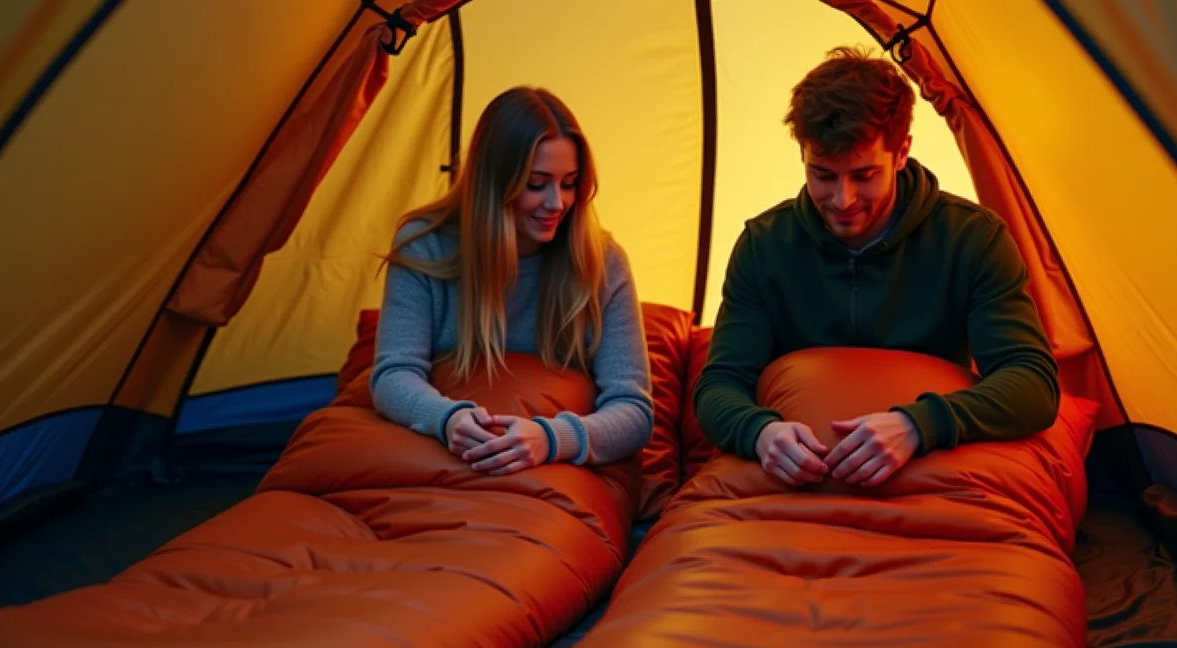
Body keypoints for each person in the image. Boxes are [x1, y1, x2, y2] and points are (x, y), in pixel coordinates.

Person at [693, 46, 1059, 488]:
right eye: (822, 175)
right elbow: (719, 386)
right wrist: (760, 432)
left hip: (927, 482)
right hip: (797, 487)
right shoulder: (764, 245)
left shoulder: (973, 239)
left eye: (864, 175)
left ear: (901, 152)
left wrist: (918, 425)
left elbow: (1033, 385)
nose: (842, 200)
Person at [370, 86, 654, 476]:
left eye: (569, 183)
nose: (557, 203)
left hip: (548, 474)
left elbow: (634, 410)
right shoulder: (426, 246)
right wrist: (448, 419)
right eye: (536, 184)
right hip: (442, 462)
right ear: (494, 183)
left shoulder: (602, 264)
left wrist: (551, 438)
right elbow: (393, 374)